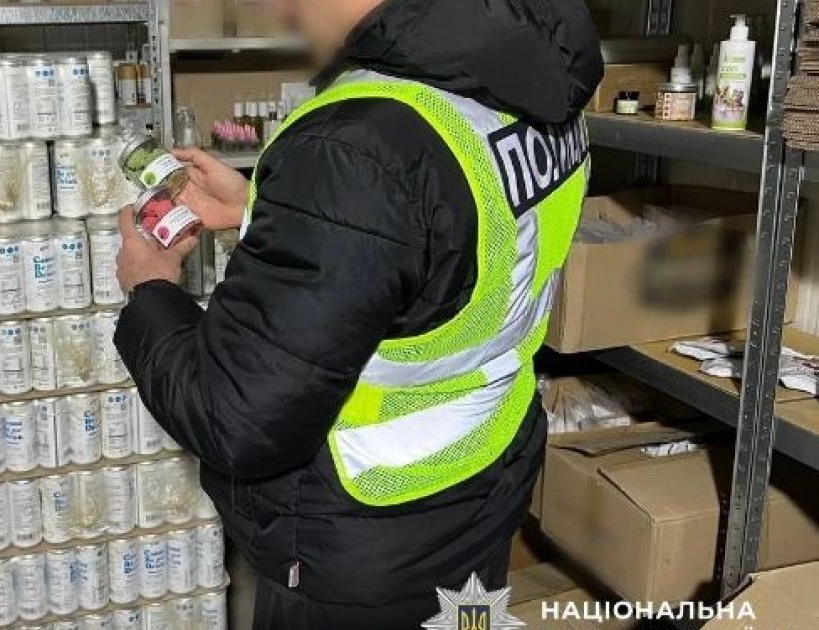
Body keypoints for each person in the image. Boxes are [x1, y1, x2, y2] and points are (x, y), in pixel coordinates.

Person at [112, 0, 602, 627]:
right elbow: (452, 240)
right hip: (482, 482)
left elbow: (236, 418)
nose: (285, 11)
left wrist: (151, 288)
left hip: (362, 538)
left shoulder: (356, 142)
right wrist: (272, 208)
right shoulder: (536, 76)